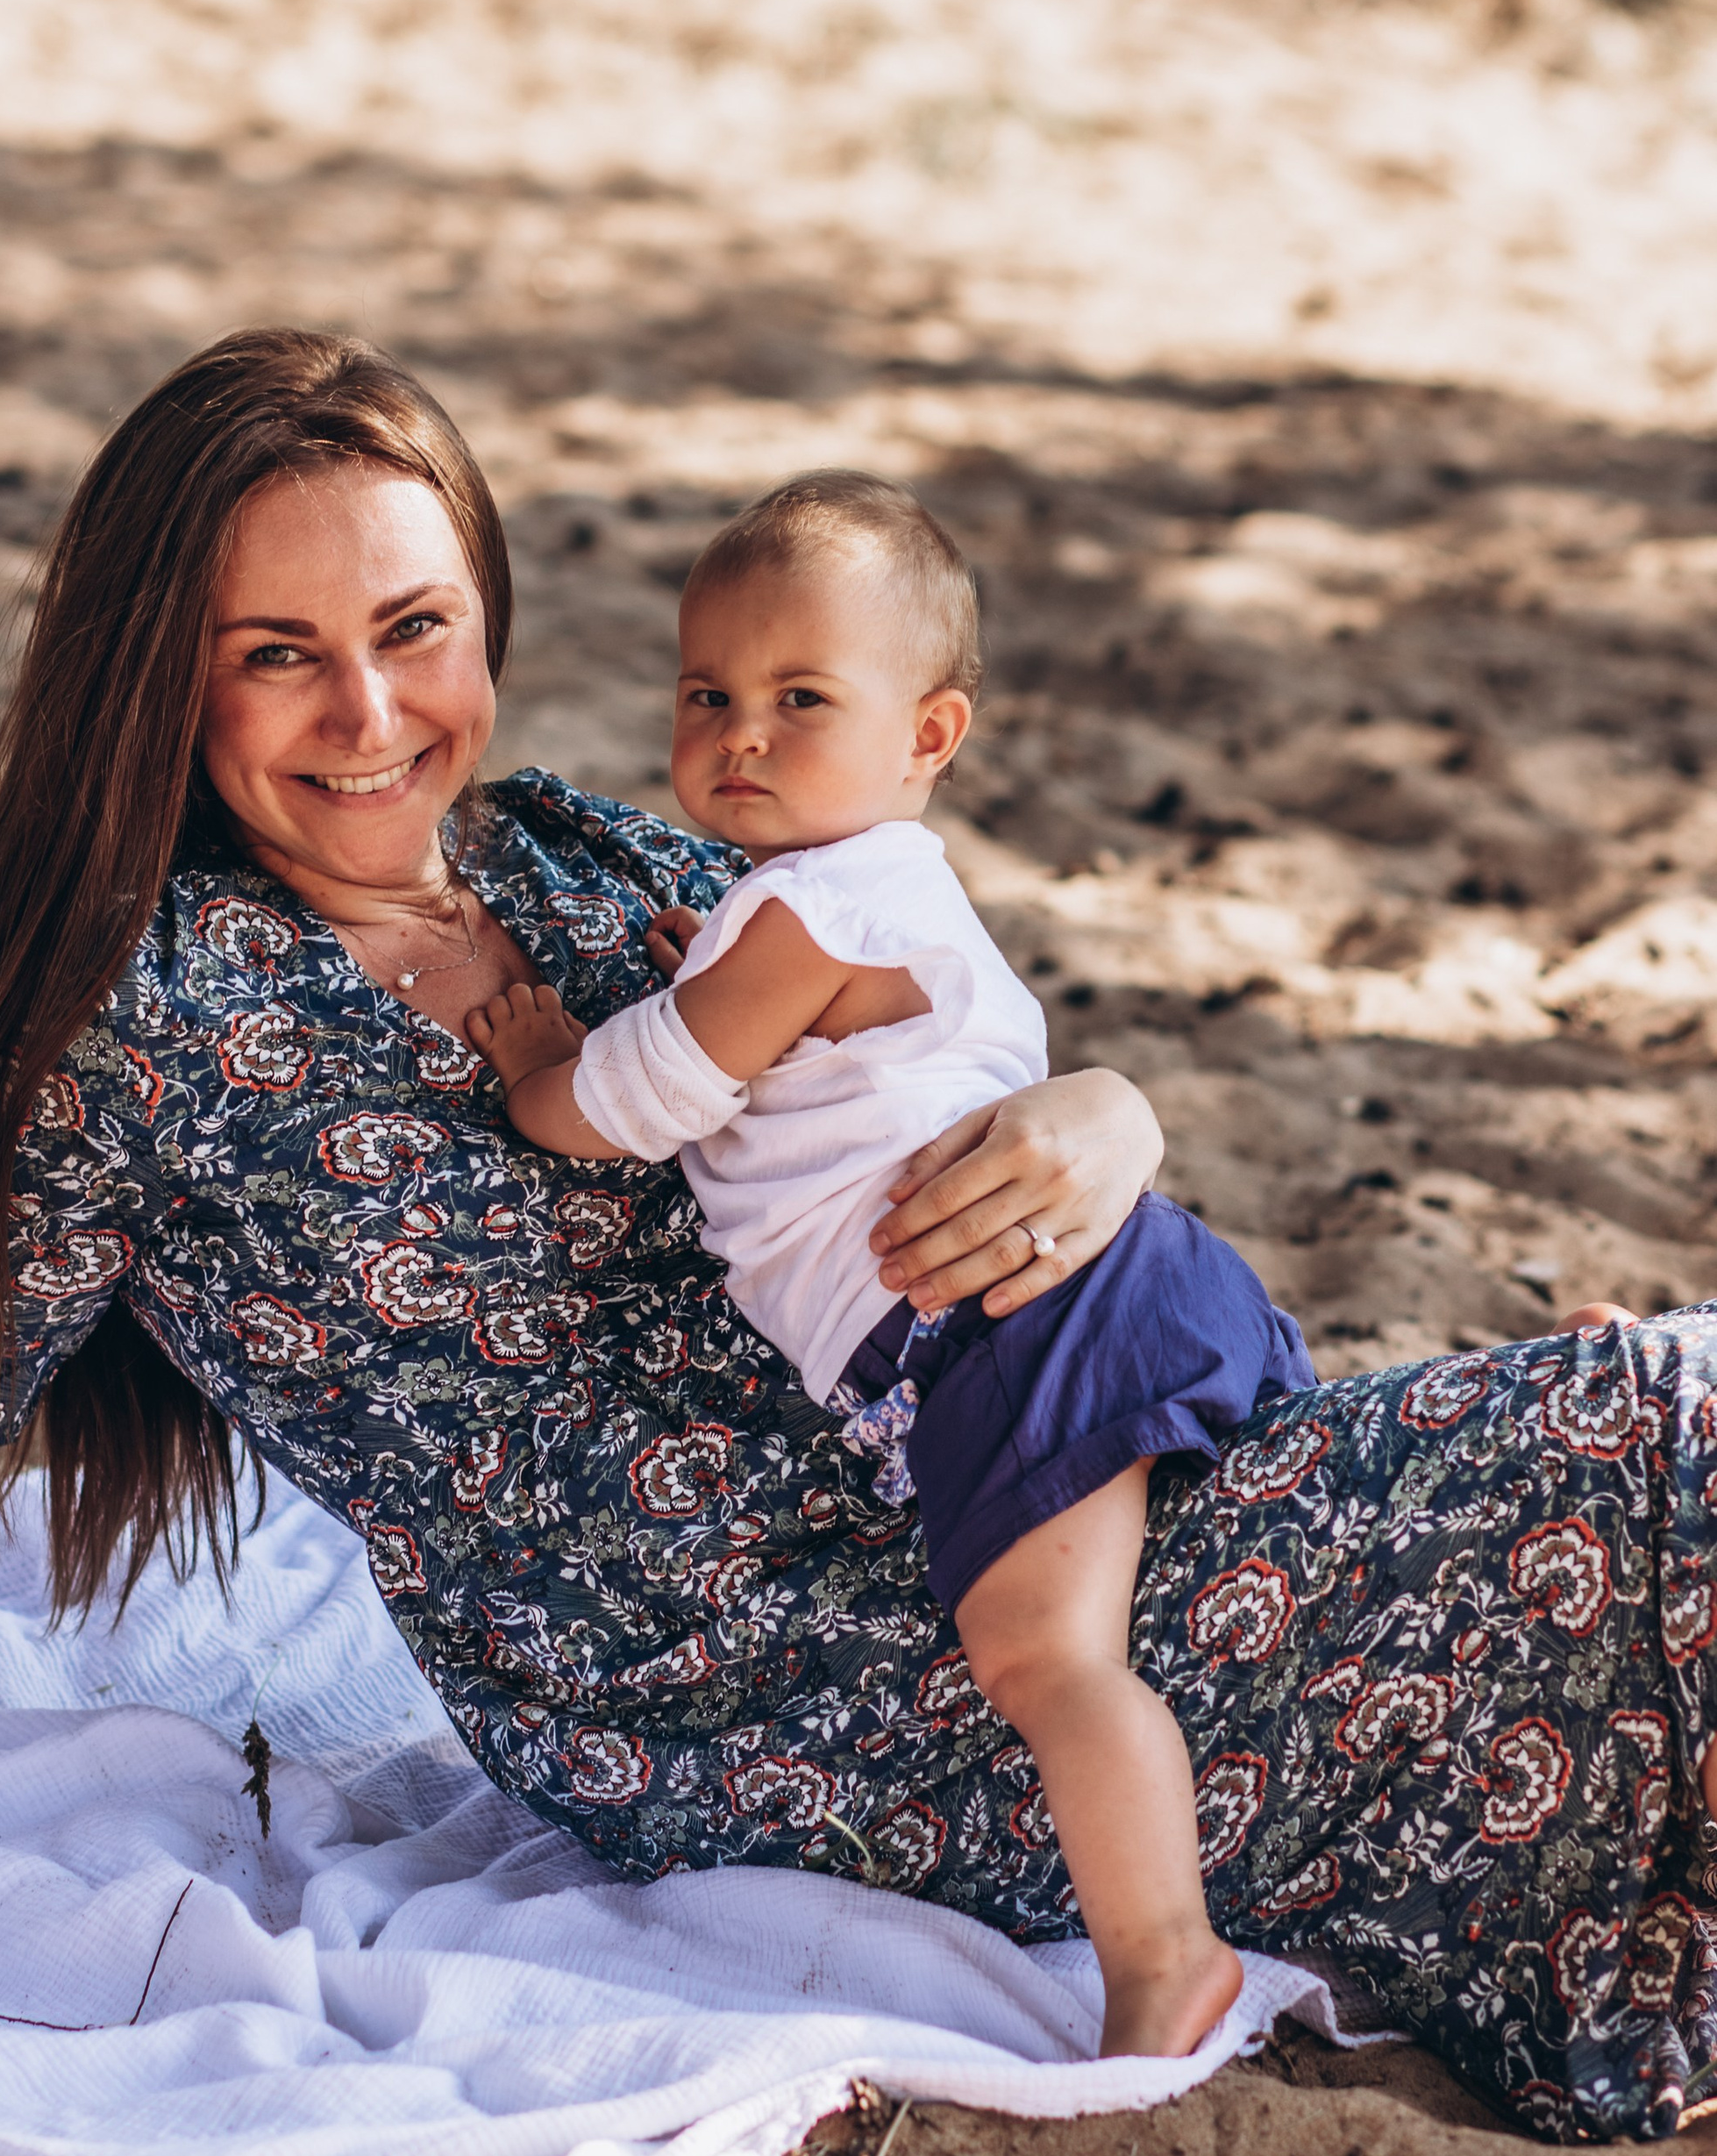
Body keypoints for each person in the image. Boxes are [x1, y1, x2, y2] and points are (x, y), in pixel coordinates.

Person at [0, 330, 1713, 2145]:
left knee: (1623, 1434)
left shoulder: (572, 864)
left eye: (411, 628)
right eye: (276, 654)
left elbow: (910, 1024)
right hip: (781, 1692)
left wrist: (1102, 1114)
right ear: (160, 676)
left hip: (1018, 1477)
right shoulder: (144, 1024)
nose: (369, 716)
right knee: (1625, 1487)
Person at [467, 471, 1314, 2056]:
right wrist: (725, 981)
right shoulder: (826, 905)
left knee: (1040, 1657)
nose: (741, 736)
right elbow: (788, 1051)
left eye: (803, 698)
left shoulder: (808, 913)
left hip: (1015, 1329)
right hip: (1110, 1279)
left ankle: (1161, 1961)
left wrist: (540, 1061)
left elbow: (640, 1102)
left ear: (929, 735)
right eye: (707, 692)